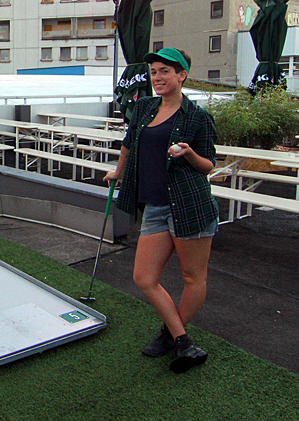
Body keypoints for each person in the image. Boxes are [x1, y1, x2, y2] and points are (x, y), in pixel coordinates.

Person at [104, 48, 219, 374]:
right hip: (155, 205)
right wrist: (119, 171)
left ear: (181, 75)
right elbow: (128, 143)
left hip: (190, 205)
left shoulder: (197, 117)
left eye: (165, 71)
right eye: (154, 71)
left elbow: (208, 165)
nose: (157, 78)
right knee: (144, 277)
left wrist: (189, 153)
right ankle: (182, 340)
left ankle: (173, 335)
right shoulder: (143, 107)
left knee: (192, 277)